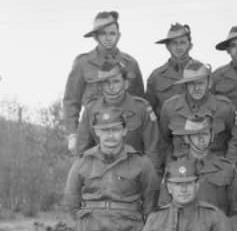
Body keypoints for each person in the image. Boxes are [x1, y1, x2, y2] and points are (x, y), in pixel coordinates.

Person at [64, 10, 146, 155]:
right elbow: (71, 101)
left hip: (126, 133)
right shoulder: (83, 63)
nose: (108, 38)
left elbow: (141, 102)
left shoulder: (130, 64)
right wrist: (72, 134)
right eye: (103, 34)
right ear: (95, 36)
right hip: (93, 134)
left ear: (119, 36)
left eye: (112, 33)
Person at [75, 64, 162, 173]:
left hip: (134, 174)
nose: (111, 87)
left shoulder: (141, 108)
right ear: (100, 85)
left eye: (116, 82)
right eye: (106, 82)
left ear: (126, 84)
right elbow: (82, 152)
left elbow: (153, 151)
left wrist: (152, 180)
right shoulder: (91, 109)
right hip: (101, 175)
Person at [159, 63, 237, 164]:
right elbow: (164, 142)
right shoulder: (170, 108)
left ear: (209, 83)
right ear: (185, 85)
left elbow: (235, 140)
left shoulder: (224, 108)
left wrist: (229, 167)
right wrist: (170, 169)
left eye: (200, 83)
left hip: (216, 168)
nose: (196, 88)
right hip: (181, 170)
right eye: (191, 84)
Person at [166, 115, 237, 216]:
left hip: (218, 228)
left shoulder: (226, 168)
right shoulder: (174, 168)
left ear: (211, 136)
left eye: (205, 134)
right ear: (186, 138)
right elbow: (165, 208)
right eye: (195, 135)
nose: (201, 139)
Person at [146, 23, 201, 115]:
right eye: (174, 43)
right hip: (166, 127)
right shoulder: (156, 76)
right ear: (167, 47)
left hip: (197, 127)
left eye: (182, 42)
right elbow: (149, 112)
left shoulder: (201, 72)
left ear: (190, 45)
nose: (178, 47)